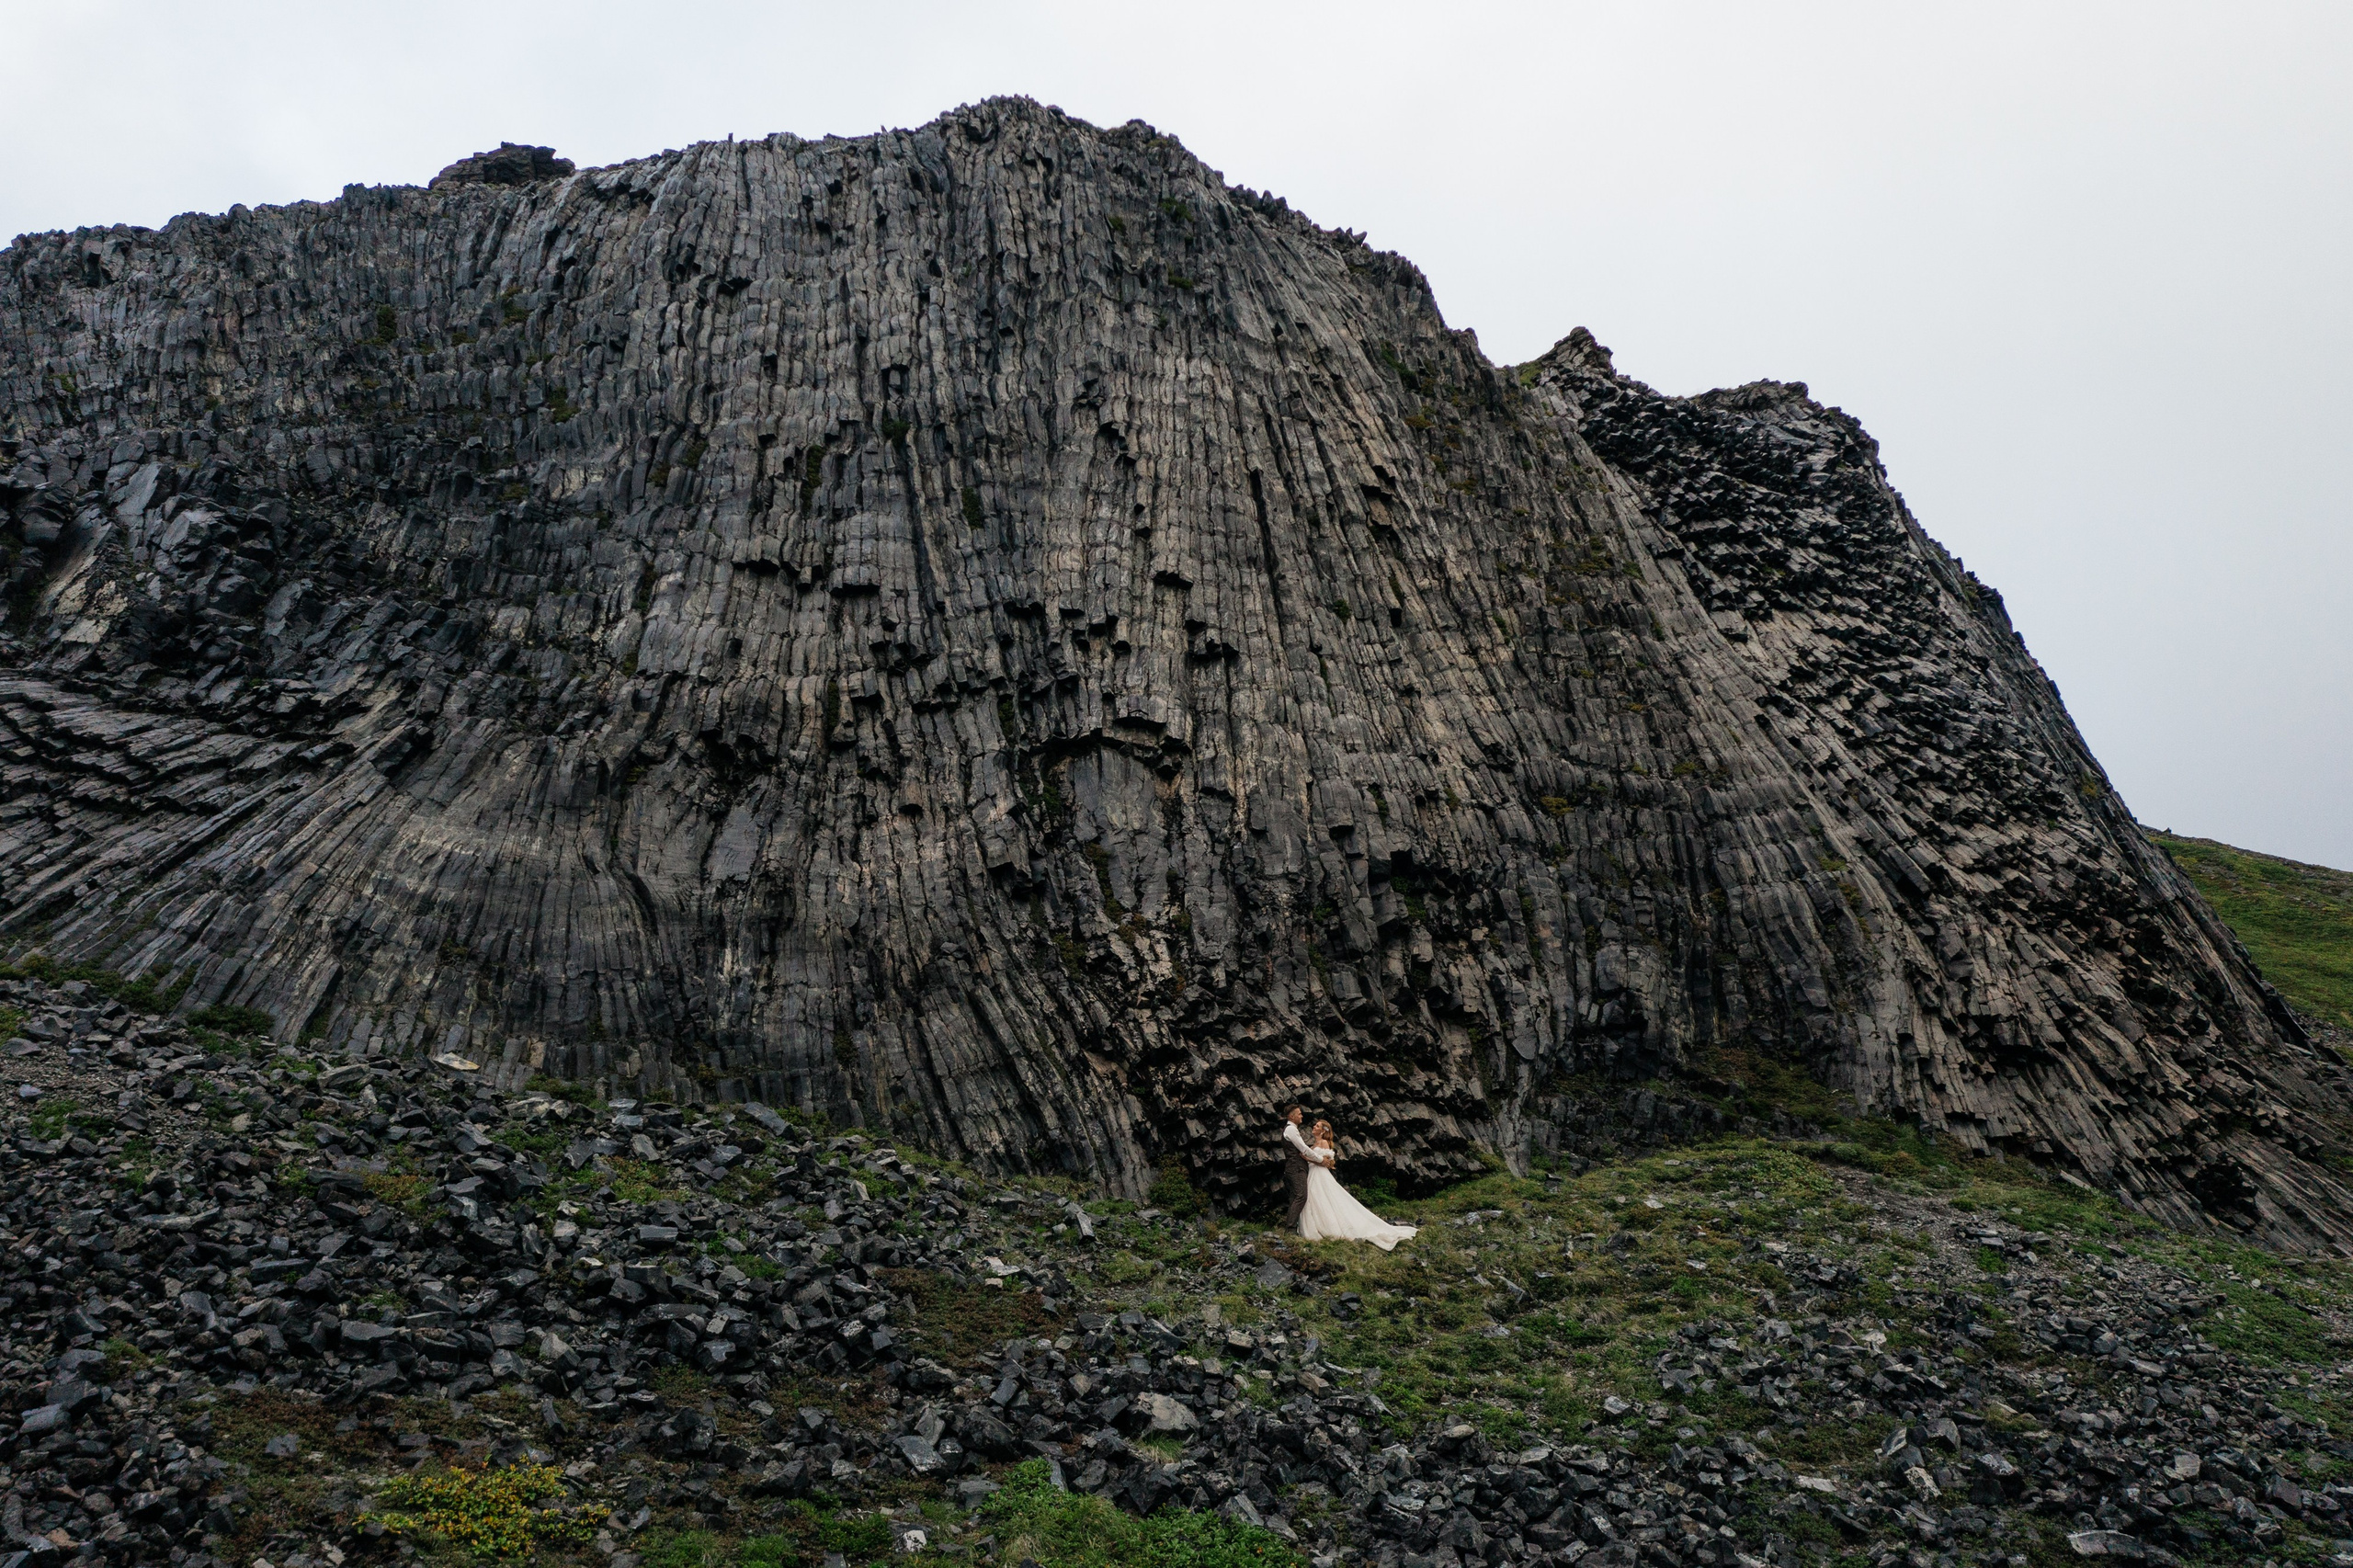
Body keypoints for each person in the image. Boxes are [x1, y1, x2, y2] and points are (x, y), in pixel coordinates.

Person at [1299, 1119, 1418, 1250]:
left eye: (1317, 1126)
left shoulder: (1324, 1143)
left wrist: (1307, 1158)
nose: (1314, 1127)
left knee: (1325, 1199)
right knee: (1314, 1199)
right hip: (1312, 1174)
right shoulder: (1313, 1145)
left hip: (1320, 1175)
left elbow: (1327, 1163)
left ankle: (1330, 1226)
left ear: (1322, 1131)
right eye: (1315, 1125)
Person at [1281, 1105, 1331, 1233]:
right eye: (1299, 1114)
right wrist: (1321, 1160)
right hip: (1296, 1168)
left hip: (1296, 1168)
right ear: (1291, 1116)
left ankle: (1292, 1228)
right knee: (1301, 1196)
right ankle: (1291, 1229)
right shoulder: (1291, 1130)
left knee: (1295, 1197)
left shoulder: (1292, 1130)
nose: (1301, 1116)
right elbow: (1303, 1149)